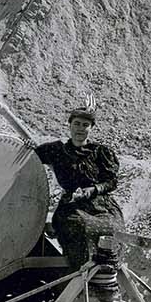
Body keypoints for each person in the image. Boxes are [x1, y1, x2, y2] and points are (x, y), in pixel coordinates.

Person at [31, 103, 124, 270]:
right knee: (81, 226)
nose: (80, 129)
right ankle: (82, 271)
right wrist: (25, 144)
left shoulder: (101, 152)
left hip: (100, 204)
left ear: (91, 128)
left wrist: (94, 189)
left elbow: (112, 182)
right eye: (77, 124)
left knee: (112, 227)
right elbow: (32, 155)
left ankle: (105, 271)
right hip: (72, 205)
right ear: (70, 124)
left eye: (85, 125)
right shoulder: (56, 150)